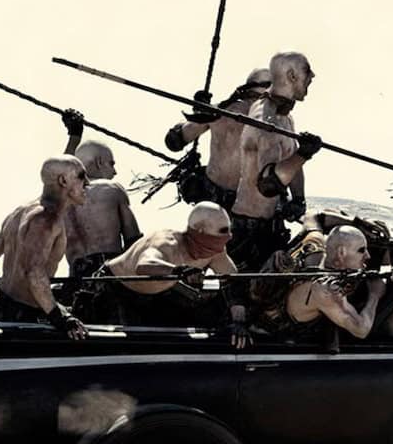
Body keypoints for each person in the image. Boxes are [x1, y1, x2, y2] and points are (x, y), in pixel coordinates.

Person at [0, 156, 91, 339]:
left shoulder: (20, 212)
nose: (87, 183)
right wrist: (62, 318)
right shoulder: (47, 220)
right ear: (63, 181)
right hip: (24, 320)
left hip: (3, 310)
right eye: (81, 176)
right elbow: (34, 273)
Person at [95, 202, 250, 346]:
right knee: (122, 343)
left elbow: (232, 282)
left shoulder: (217, 252)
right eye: (219, 234)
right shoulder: (166, 242)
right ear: (199, 230)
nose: (222, 241)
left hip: (159, 295)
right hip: (115, 288)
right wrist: (179, 271)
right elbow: (144, 266)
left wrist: (239, 321)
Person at [230, 53, 322, 268]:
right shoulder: (264, 118)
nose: (312, 76)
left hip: (273, 226)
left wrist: (298, 199)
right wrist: (304, 154)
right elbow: (268, 184)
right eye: (307, 71)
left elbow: (292, 160)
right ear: (291, 75)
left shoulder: (286, 117)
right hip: (248, 231)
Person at [281, 226, 393, 345]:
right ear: (341, 253)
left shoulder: (317, 251)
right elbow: (361, 330)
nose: (367, 256)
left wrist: (360, 223)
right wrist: (374, 295)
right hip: (290, 340)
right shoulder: (326, 290)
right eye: (361, 250)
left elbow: (312, 218)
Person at [160, 68, 272, 210]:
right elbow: (173, 141)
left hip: (221, 203)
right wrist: (199, 112)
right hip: (238, 205)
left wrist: (199, 113)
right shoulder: (276, 123)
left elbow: (174, 141)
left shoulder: (218, 111)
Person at [58, 109, 141, 279]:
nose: (115, 171)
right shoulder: (111, 189)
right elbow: (134, 243)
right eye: (111, 164)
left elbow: (60, 172)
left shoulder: (61, 198)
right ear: (99, 162)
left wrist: (75, 135)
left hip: (76, 281)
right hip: (109, 278)